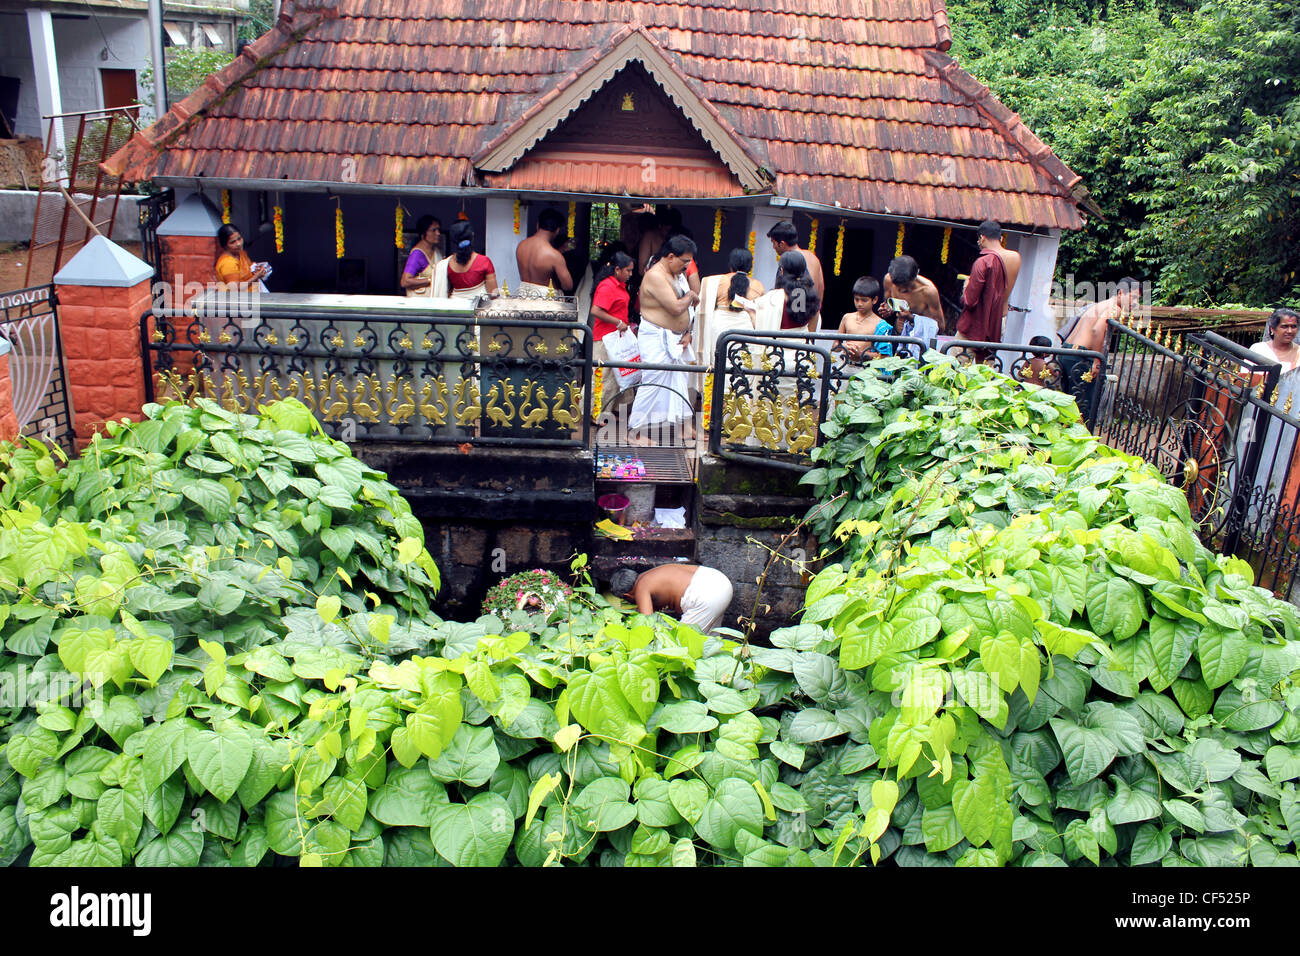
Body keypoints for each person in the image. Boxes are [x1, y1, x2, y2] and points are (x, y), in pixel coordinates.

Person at [629, 235, 699, 443]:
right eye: (685, 261)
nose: (687, 266)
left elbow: (687, 308)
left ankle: (684, 428)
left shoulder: (677, 274)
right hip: (656, 337)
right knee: (653, 381)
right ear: (670, 256)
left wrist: (688, 333)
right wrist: (692, 296)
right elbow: (676, 307)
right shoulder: (655, 276)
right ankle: (634, 432)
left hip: (677, 338)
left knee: (679, 380)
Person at [1058, 276, 1142, 386]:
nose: (1136, 302)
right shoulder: (1115, 309)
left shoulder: (1103, 304)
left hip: (1067, 352)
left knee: (1068, 400)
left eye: (1138, 299)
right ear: (1121, 293)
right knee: (1084, 401)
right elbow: (1097, 330)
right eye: (1133, 297)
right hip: (1081, 357)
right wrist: (1097, 361)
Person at [611, 563, 734, 635]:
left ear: (627, 596)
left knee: (682, 646)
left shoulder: (640, 588)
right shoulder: (650, 574)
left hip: (707, 596)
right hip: (719, 580)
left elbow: (648, 625)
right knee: (710, 640)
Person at [956, 221, 1014, 361]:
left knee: (957, 372)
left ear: (982, 238)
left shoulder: (983, 262)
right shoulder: (1004, 262)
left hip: (972, 329)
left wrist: (967, 286)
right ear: (1000, 239)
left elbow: (970, 301)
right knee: (985, 376)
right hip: (992, 329)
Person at [590, 251, 636, 412]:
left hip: (615, 337)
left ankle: (607, 411)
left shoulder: (617, 286)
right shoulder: (608, 286)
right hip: (605, 338)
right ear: (617, 269)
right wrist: (618, 322)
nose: (630, 274)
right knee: (602, 376)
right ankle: (593, 413)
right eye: (628, 270)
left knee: (616, 376)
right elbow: (595, 310)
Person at [768, 221, 824, 331]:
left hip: (797, 321)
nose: (773, 247)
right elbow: (821, 288)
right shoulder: (812, 257)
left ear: (782, 244)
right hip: (813, 314)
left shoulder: (792, 262)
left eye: (773, 243)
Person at [430, 220, 498, 300]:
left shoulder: (447, 264)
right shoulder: (484, 261)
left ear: (454, 240)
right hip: (477, 309)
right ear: (472, 236)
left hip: (454, 309)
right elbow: (493, 295)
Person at [515, 208, 574, 295]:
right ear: (557, 230)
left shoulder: (521, 246)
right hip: (545, 300)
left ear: (537, 224)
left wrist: (560, 250)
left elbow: (538, 258)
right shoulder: (554, 256)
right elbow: (568, 286)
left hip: (523, 297)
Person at [882, 255, 943, 335]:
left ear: (915, 277)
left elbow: (940, 327)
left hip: (920, 338)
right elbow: (888, 303)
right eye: (897, 286)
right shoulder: (888, 280)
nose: (901, 290)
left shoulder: (928, 291)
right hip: (898, 333)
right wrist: (887, 309)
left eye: (906, 287)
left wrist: (911, 318)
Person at [837, 276, 892, 361]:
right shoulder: (847, 317)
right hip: (844, 366)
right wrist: (844, 346)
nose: (859, 304)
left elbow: (885, 357)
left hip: (866, 370)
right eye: (856, 299)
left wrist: (862, 354)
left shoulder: (880, 325)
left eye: (864, 300)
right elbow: (835, 346)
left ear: (875, 300)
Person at [214, 224, 270, 291]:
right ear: (225, 246)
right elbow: (235, 288)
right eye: (232, 242)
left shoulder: (241, 253)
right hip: (237, 300)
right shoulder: (227, 263)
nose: (238, 244)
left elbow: (248, 270)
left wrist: (257, 269)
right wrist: (256, 276)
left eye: (239, 239)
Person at [775, 250, 820, 331]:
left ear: (781, 271)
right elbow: (811, 333)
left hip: (780, 342)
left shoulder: (775, 297)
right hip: (803, 342)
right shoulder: (813, 298)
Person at [400, 216, 442, 296]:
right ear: (423, 233)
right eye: (433, 230)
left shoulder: (436, 251)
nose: (438, 233)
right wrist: (431, 280)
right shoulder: (417, 254)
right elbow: (405, 281)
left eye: (438, 230)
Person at [1250, 308, 1300, 374]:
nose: (1289, 331)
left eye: (1293, 326)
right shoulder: (1258, 349)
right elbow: (1246, 379)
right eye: (1284, 326)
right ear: (1273, 329)